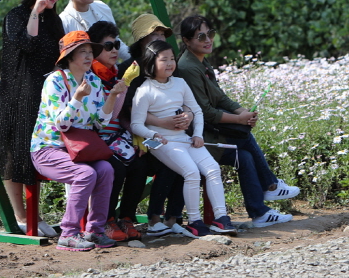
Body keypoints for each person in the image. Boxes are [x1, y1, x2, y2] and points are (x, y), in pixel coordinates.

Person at [175, 15, 297, 228]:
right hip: (199, 137)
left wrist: (243, 113)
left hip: (210, 131)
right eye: (201, 36)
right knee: (245, 136)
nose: (208, 40)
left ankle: (259, 213)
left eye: (210, 34)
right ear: (186, 40)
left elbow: (220, 97)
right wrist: (240, 119)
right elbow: (205, 112)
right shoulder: (187, 67)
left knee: (246, 156)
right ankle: (270, 185)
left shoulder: (201, 61)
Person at [0, 0, 65, 237]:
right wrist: (35, 11)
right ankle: (20, 215)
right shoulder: (16, 16)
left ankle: (35, 214)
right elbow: (27, 44)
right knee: (15, 154)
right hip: (18, 93)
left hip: (45, 94)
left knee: (37, 152)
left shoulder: (55, 20)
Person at [129, 40, 236, 237]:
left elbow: (196, 110)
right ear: (151, 63)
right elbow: (136, 124)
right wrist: (153, 134)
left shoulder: (180, 83)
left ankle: (221, 218)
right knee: (192, 172)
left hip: (184, 138)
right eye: (164, 60)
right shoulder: (144, 90)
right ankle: (194, 221)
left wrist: (197, 134)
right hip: (161, 142)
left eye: (172, 59)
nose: (170, 63)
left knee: (212, 169)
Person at [30, 30, 126, 251]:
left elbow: (101, 121)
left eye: (90, 52)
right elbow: (61, 124)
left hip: (80, 150)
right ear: (69, 56)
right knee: (85, 173)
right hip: (47, 149)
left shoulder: (92, 79)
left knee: (106, 170)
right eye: (81, 52)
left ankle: (94, 231)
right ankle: (68, 233)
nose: (88, 56)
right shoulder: (55, 80)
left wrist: (112, 96)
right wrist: (77, 98)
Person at [119, 14, 191, 237]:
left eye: (162, 34)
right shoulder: (130, 68)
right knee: (167, 158)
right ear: (141, 39)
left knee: (187, 156)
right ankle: (154, 219)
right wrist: (161, 123)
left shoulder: (170, 64)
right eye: (155, 34)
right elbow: (130, 110)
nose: (160, 37)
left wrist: (186, 116)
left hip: (173, 130)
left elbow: (185, 101)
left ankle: (173, 218)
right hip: (140, 133)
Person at [87, 20, 145, 241]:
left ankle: (127, 218)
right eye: (108, 45)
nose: (114, 50)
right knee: (116, 169)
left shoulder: (114, 74)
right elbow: (103, 118)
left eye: (117, 44)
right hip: (95, 139)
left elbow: (118, 117)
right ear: (95, 49)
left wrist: (136, 136)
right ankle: (107, 220)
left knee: (140, 164)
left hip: (115, 138)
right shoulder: (90, 77)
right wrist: (121, 89)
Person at [59, 0, 131, 62]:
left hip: (112, 71)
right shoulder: (64, 21)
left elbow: (116, 41)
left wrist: (136, 60)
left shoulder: (102, 7)